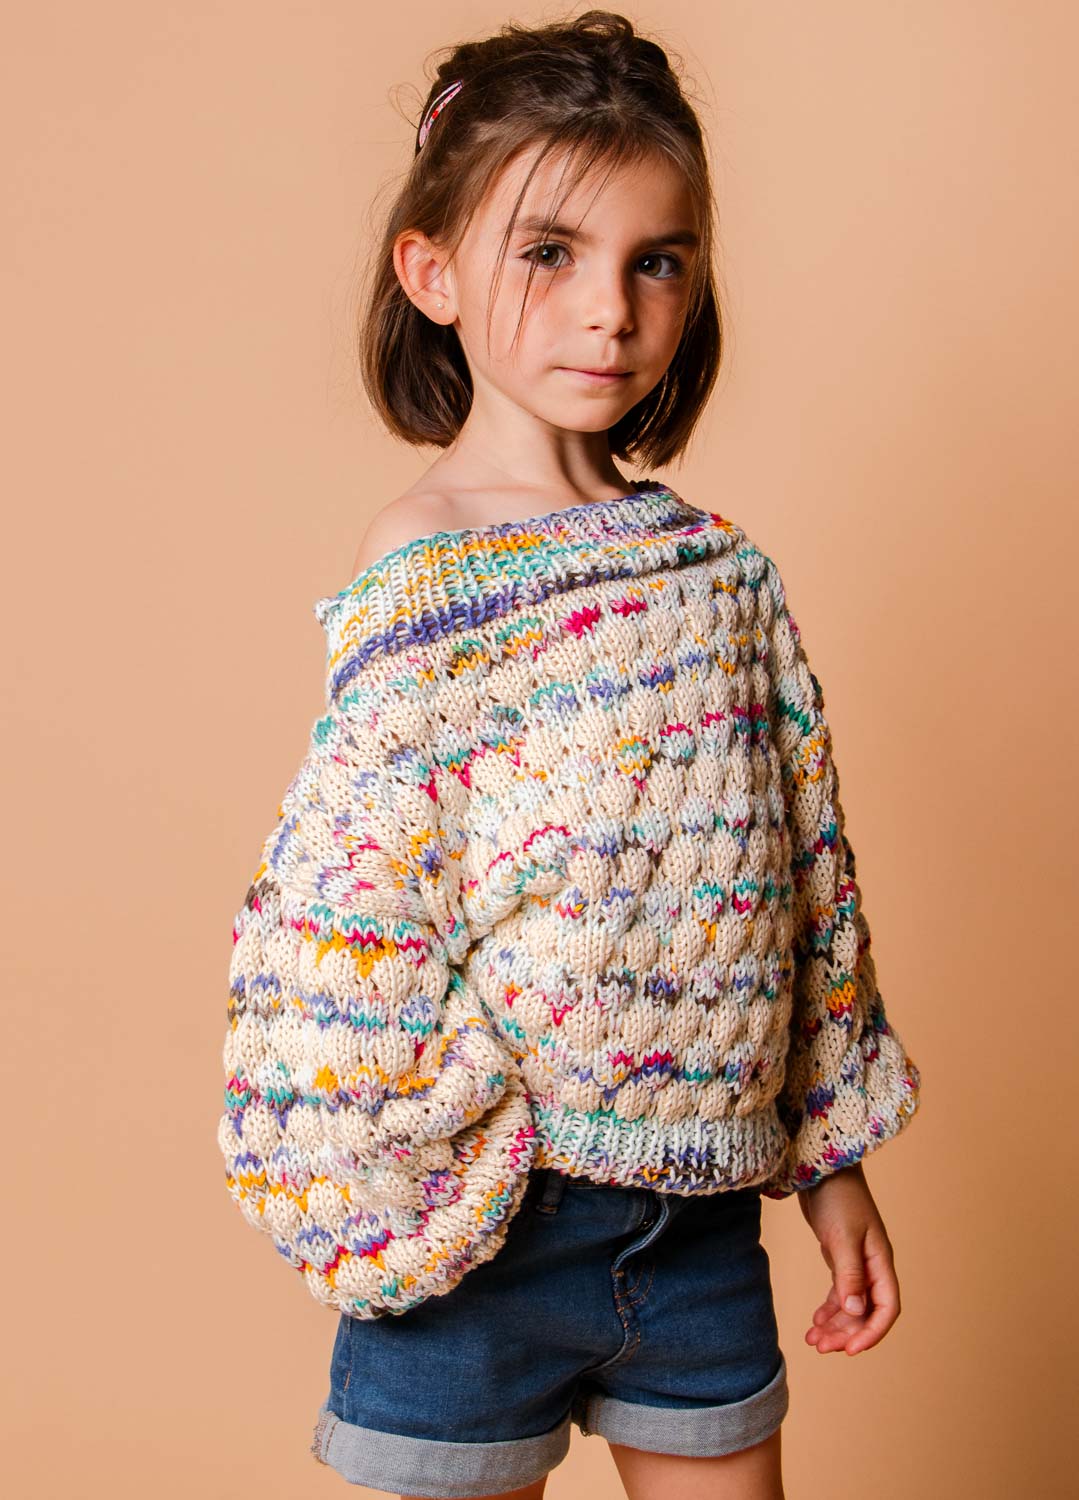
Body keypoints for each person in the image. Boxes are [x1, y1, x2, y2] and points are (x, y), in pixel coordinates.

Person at [217, 11, 922, 1499]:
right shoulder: (424, 573)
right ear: (434, 273)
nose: (610, 310)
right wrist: (429, 1163)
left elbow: (802, 895)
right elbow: (360, 911)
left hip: (704, 1226)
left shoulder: (721, 576)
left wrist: (831, 1162)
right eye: (549, 253)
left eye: (656, 261)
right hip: (496, 1229)